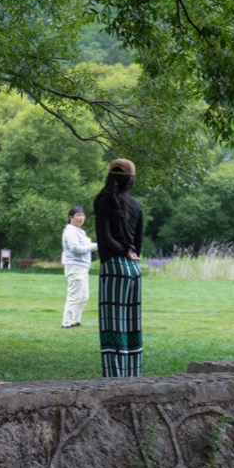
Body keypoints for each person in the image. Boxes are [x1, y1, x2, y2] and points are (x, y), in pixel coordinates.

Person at [94, 158, 143, 377]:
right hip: (134, 269)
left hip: (114, 268)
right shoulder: (136, 204)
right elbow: (138, 240)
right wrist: (131, 253)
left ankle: (115, 377)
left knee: (113, 323)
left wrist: (122, 251)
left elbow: (105, 238)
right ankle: (133, 375)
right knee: (132, 324)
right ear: (131, 180)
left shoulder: (104, 201)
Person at [61, 205, 98, 328]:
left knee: (84, 296)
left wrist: (94, 245)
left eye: (83, 215)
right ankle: (66, 322)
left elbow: (85, 246)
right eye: (78, 215)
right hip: (75, 267)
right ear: (71, 217)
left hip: (83, 268)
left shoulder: (80, 231)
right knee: (75, 295)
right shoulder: (70, 232)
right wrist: (97, 246)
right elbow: (75, 249)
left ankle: (75, 320)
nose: (81, 218)